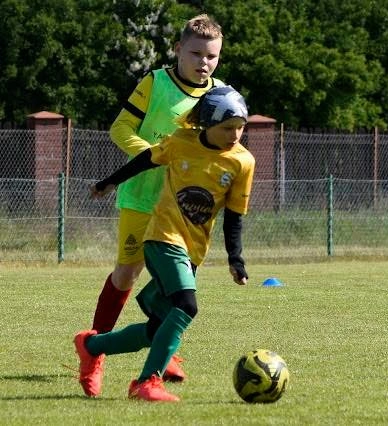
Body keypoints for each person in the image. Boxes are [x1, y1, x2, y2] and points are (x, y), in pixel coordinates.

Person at [75, 85, 255, 402]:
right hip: (162, 237)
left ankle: (91, 346)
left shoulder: (243, 162)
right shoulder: (181, 141)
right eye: (228, 127)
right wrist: (109, 182)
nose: (235, 134)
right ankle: (147, 382)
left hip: (193, 251)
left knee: (155, 329)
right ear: (208, 124)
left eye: (240, 127)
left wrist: (235, 259)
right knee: (187, 306)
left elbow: (234, 216)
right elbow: (145, 160)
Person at [91, 14, 224, 382]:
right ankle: (94, 348)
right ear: (178, 49)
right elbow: (120, 128)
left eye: (211, 56)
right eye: (195, 54)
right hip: (141, 196)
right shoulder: (155, 82)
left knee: (177, 280)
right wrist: (154, 154)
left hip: (184, 208)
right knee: (127, 274)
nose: (203, 62)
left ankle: (166, 347)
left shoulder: (219, 95)